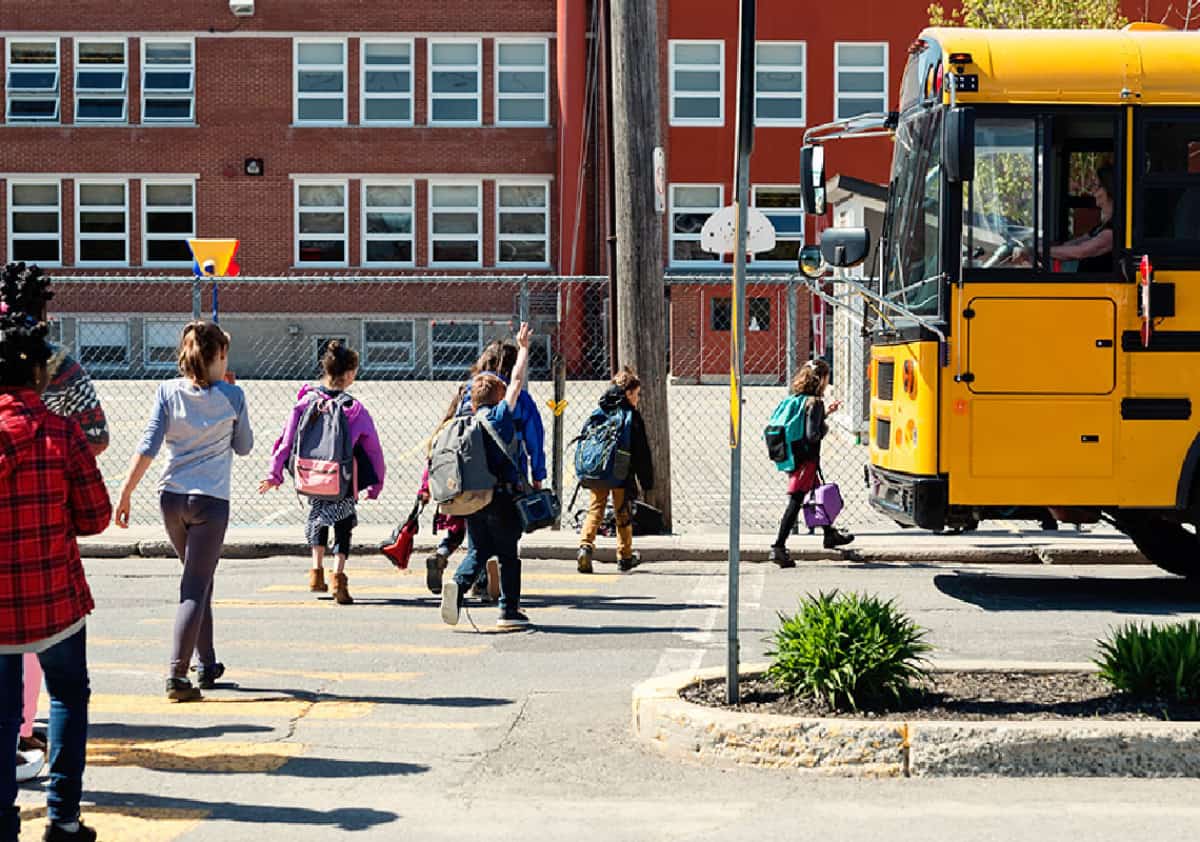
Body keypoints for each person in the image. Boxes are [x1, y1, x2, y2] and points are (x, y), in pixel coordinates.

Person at [0, 273, 112, 842]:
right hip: (54, 596)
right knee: (68, 695)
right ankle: (62, 818)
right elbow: (94, 518)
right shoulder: (62, 433)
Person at [114, 321, 253, 701]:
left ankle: (206, 662)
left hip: (171, 498)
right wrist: (235, 399)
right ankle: (177, 674)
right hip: (210, 501)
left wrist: (126, 491)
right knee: (194, 586)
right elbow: (244, 447)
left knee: (199, 580)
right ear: (219, 357)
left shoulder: (168, 391)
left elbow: (148, 445)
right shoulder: (232, 396)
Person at [260, 341, 386, 605]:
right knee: (343, 525)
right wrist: (376, 484)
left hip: (312, 476)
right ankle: (338, 580)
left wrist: (275, 474)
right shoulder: (355, 409)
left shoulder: (305, 401)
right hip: (341, 480)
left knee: (317, 516)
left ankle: (316, 573)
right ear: (349, 374)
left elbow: (286, 440)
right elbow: (373, 450)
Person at [422, 339, 546, 600]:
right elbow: (534, 437)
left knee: (478, 542)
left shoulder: (468, 393)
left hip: (470, 480)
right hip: (508, 482)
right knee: (507, 546)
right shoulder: (511, 402)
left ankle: (469, 583)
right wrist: (538, 474)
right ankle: (505, 602)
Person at [440, 323, 534, 629]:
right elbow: (518, 380)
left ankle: (457, 582)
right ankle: (509, 611)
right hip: (502, 497)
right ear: (500, 396)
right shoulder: (500, 416)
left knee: (479, 549)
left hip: (474, 497)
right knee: (508, 555)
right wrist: (523, 349)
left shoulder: (467, 420)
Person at [768, 359, 854, 567]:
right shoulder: (815, 402)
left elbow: (802, 425)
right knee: (796, 501)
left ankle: (829, 533)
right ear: (821, 379)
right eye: (827, 378)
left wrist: (824, 415)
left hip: (794, 456)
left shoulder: (797, 399)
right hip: (806, 460)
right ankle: (778, 547)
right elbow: (812, 434)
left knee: (817, 493)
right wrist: (824, 427)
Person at [576, 366, 655, 574]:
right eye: (636, 395)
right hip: (620, 474)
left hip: (599, 471)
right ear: (628, 393)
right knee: (622, 513)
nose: (637, 399)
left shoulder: (600, 411)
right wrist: (647, 481)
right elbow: (641, 453)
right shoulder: (631, 416)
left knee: (596, 509)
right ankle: (624, 556)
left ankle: (585, 547)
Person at [1049, 165, 1116, 273]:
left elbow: (1080, 251)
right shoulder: (1101, 226)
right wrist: (1042, 247)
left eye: (1097, 186)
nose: (1093, 191)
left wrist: (1041, 251)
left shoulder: (1112, 231)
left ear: (1109, 189)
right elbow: (1074, 244)